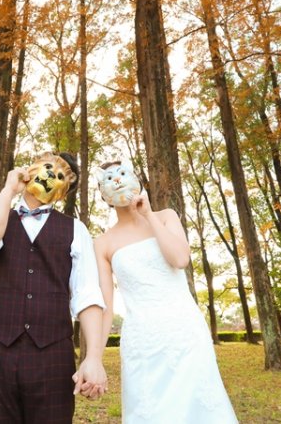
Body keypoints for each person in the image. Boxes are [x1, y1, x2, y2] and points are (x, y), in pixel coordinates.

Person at [93, 159, 238, 423]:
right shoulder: (102, 243)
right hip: (142, 342)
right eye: (109, 179)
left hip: (185, 333)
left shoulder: (166, 217)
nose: (117, 181)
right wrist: (95, 358)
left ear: (137, 179)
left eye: (122, 174)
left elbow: (180, 259)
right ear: (104, 196)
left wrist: (148, 215)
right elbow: (105, 305)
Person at [0, 152, 107, 424]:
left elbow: (87, 295)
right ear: (29, 169)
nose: (49, 176)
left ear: (62, 192)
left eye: (58, 176)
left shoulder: (75, 229)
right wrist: (9, 190)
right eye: (46, 168)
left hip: (53, 356)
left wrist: (93, 357)